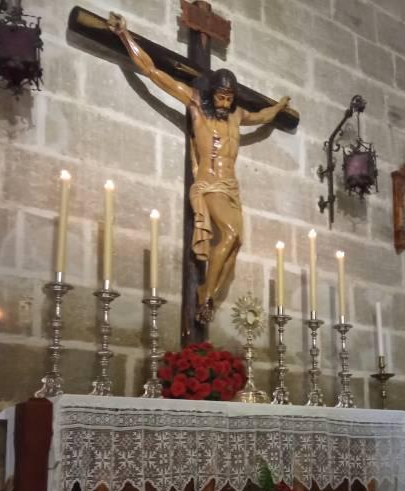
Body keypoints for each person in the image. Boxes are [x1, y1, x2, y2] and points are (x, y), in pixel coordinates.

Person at [108, 13, 290, 322]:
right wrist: (126, 36)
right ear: (212, 92)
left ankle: (210, 294)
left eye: (229, 97)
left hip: (231, 188)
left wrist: (280, 107)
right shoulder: (196, 104)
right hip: (209, 184)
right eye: (220, 95)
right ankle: (204, 292)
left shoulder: (237, 115)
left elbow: (262, 117)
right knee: (230, 234)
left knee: (236, 244)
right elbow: (153, 72)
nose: (224, 101)